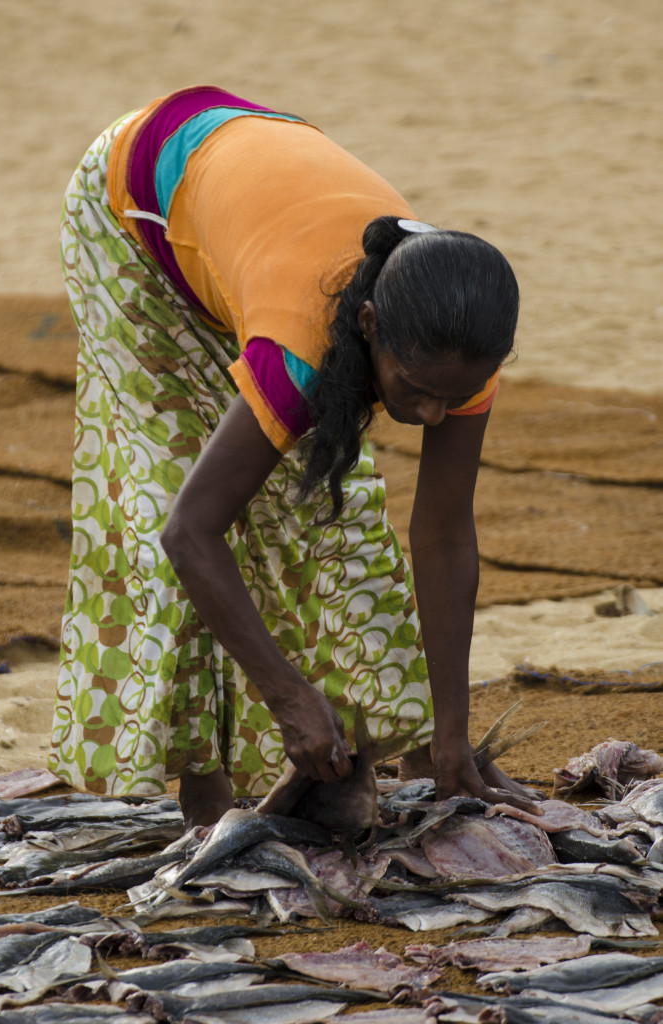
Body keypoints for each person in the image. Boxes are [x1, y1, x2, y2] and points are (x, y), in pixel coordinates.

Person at [49, 84, 535, 827]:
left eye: (450, 398)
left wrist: (451, 735)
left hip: (246, 185)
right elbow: (189, 531)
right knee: (175, 486)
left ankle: (361, 750)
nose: (430, 415)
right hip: (133, 202)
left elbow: (442, 534)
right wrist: (285, 695)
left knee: (330, 502)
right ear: (368, 326)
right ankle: (205, 796)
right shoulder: (303, 349)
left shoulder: (456, 347)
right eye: (413, 391)